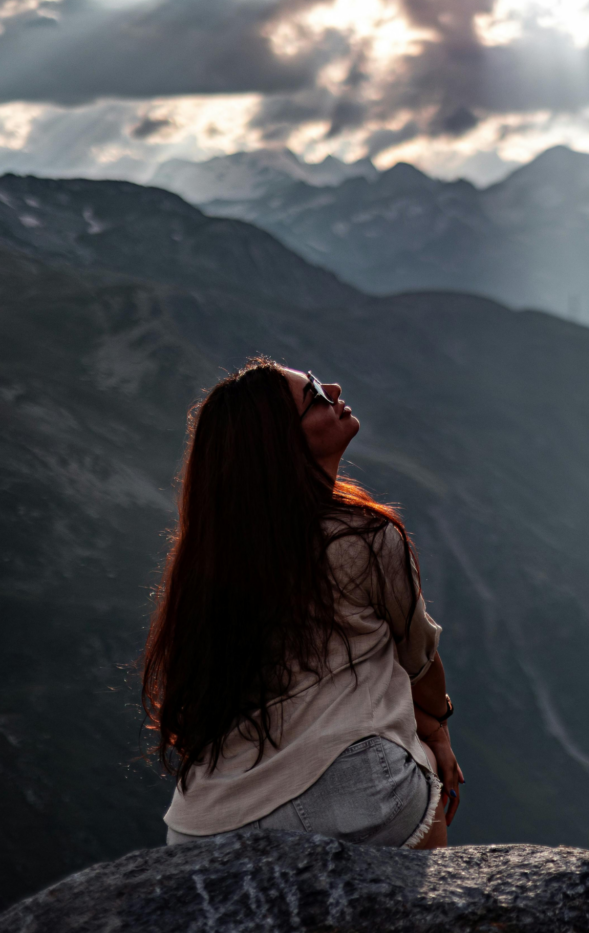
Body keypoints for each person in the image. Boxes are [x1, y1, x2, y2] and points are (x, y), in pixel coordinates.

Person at [142, 357, 463, 850]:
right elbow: (418, 661)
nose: (333, 386)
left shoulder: (208, 559)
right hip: (356, 796)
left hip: (202, 826)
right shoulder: (365, 536)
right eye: (314, 392)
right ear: (281, 443)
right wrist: (438, 733)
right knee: (421, 772)